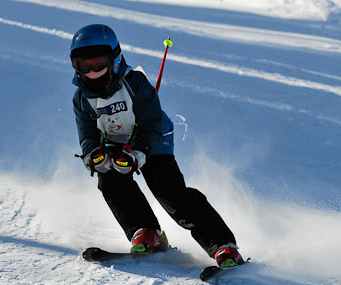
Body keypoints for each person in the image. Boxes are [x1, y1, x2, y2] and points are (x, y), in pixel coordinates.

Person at [70, 24, 244, 268]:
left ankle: (223, 246)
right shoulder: (81, 97)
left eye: (97, 64)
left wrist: (139, 153)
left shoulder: (135, 83)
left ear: (114, 58)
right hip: (115, 143)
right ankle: (146, 232)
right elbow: (87, 132)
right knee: (109, 180)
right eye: (83, 66)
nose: (92, 72)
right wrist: (93, 154)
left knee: (169, 192)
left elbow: (151, 124)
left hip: (154, 139)